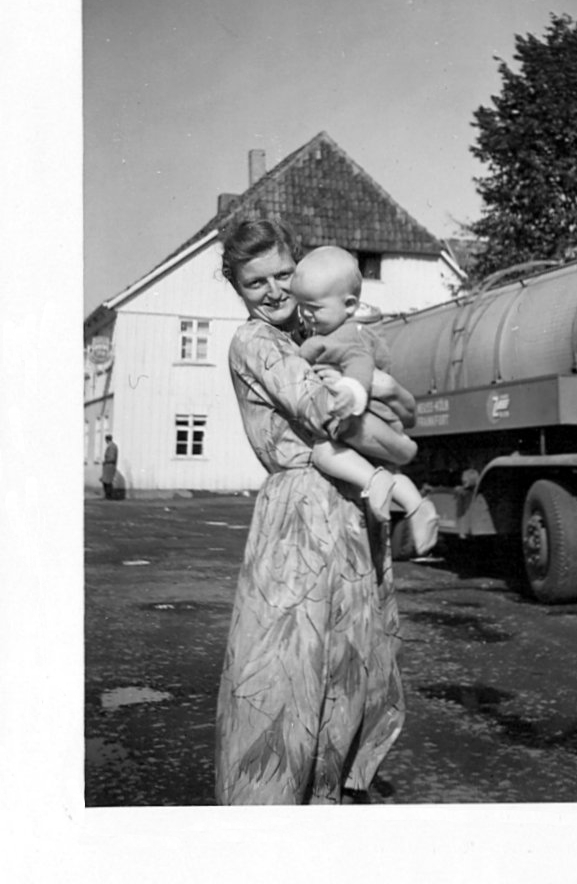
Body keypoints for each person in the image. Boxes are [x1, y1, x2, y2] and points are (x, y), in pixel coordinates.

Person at [215, 215, 416, 805]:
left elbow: (393, 403)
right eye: (257, 284)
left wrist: (383, 399)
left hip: (350, 512)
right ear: (237, 289)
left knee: (351, 659)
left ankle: (327, 797)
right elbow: (325, 406)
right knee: (284, 668)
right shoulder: (253, 341)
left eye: (282, 275)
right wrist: (380, 394)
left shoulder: (308, 327)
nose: (274, 291)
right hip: (299, 514)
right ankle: (266, 816)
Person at [290, 245, 439, 557]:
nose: (305, 315)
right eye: (300, 306)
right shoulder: (335, 330)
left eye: (313, 308)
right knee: (387, 471)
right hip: (377, 422)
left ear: (349, 305)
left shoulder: (347, 337)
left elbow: (359, 365)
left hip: (367, 417)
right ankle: (416, 507)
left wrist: (350, 391)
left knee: (323, 453)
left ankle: (376, 482)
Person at [101, 435, 118, 501]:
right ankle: (108, 495)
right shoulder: (112, 446)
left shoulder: (112, 447)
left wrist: (105, 462)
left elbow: (112, 458)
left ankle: (109, 496)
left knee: (107, 482)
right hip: (108, 465)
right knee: (106, 481)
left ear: (107, 440)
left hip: (109, 466)